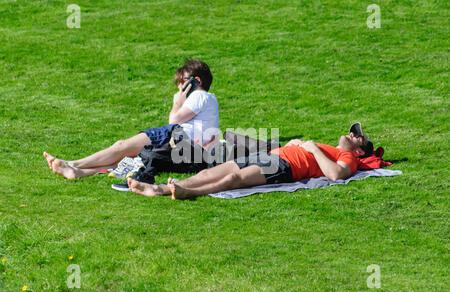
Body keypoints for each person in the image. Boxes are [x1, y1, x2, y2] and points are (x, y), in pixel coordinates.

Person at [44, 59, 219, 179]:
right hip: (188, 151)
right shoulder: (211, 102)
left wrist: (177, 102)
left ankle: (72, 163)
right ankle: (78, 172)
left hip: (177, 136)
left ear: (196, 81)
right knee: (128, 158)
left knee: (121, 146)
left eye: (182, 81)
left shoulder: (200, 95)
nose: (179, 87)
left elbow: (173, 120)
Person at [127, 123, 374, 199]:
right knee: (210, 172)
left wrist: (311, 147)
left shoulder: (349, 157)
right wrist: (294, 144)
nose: (353, 133)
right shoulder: (333, 148)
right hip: (273, 156)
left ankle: (186, 192)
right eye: (354, 130)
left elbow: (336, 175)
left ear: (360, 151)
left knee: (233, 180)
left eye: (358, 136)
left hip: (285, 167)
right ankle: (158, 189)